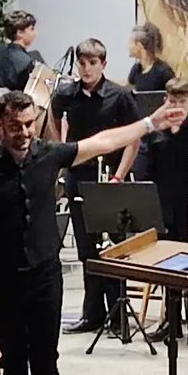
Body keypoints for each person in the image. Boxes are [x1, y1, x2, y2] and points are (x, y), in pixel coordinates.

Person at [0, 90, 187, 375]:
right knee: (13, 364)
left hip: (44, 277)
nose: (24, 133)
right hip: (2, 278)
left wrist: (150, 123)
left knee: (45, 361)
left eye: (29, 125)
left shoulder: (49, 155)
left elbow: (101, 143)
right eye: (15, 127)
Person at [50, 39, 143, 335]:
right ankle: (92, 314)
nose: (87, 68)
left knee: (114, 246)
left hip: (110, 177)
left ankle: (117, 318)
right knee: (86, 248)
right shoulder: (67, 94)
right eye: (82, 63)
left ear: (103, 64)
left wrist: (119, 176)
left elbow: (134, 137)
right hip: (81, 175)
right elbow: (53, 116)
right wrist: (64, 151)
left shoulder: (120, 96)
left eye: (93, 63)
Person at [137, 77, 188, 345]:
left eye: (182, 101)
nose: (176, 106)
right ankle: (172, 322)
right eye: (172, 101)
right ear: (165, 101)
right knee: (168, 267)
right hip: (163, 206)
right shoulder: (156, 132)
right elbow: (144, 170)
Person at [126, 22, 175, 92]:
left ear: (139, 45)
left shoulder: (163, 72)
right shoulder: (136, 69)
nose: (128, 46)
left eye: (131, 42)